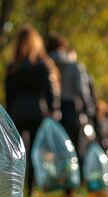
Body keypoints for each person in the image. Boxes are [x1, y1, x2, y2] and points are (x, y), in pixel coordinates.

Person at [5, 25, 60, 197]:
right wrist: (53, 109)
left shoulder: (13, 67)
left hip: (18, 113)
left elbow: (9, 93)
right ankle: (30, 189)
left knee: (16, 153)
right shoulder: (42, 65)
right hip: (38, 113)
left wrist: (9, 112)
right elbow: (51, 89)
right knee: (35, 152)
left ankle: (15, 189)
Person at [46, 35, 95, 164]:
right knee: (72, 144)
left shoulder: (45, 63)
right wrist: (89, 108)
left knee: (52, 144)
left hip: (49, 108)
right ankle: (71, 177)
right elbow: (81, 89)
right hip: (71, 108)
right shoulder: (74, 65)